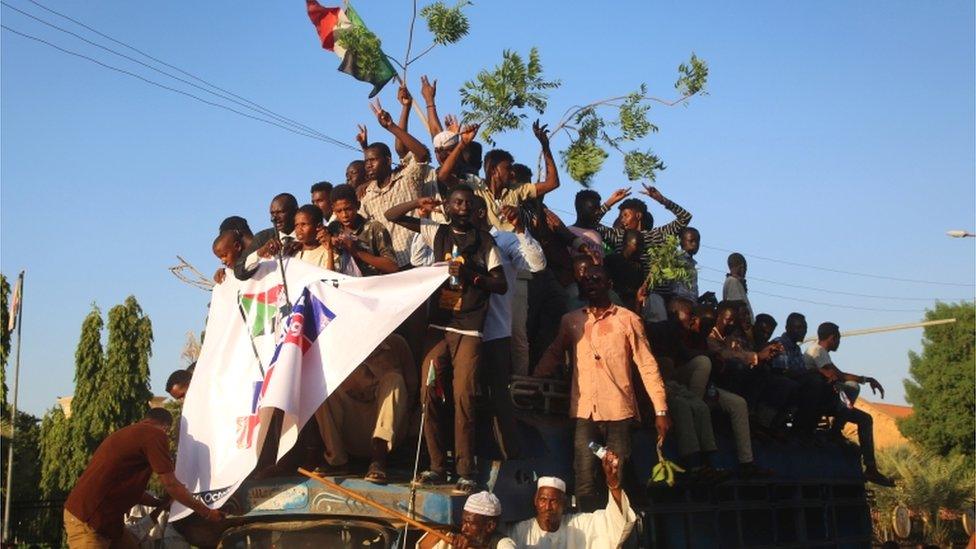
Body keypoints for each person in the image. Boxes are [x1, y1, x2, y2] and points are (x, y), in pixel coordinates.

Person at [385, 186, 507, 495]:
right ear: (448, 207)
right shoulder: (436, 232)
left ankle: (466, 470)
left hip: (469, 329)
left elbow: (501, 284)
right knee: (429, 390)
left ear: (475, 208)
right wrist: (418, 202)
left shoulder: (485, 241)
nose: (463, 207)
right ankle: (437, 466)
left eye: (468, 203)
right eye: (457, 202)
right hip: (439, 325)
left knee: (464, 395)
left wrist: (472, 277)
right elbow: (391, 216)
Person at [534, 263, 669, 512]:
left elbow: (647, 365)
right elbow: (555, 352)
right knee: (584, 475)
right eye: (586, 280)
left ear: (609, 284)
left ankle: (626, 526)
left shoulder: (628, 320)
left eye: (596, 279)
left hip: (619, 414)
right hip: (586, 414)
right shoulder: (572, 321)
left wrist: (660, 410)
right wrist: (533, 379)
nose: (590, 283)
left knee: (618, 473)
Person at [63, 409, 223, 547]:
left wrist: (159, 504)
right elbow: (171, 485)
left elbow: (129, 490)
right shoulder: (155, 434)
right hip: (89, 520)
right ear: (166, 427)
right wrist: (207, 513)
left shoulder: (131, 434)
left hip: (106, 522)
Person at [653, 298, 769, 477]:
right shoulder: (670, 331)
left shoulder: (705, 338)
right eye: (691, 315)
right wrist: (712, 355)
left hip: (704, 388)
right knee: (695, 395)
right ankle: (695, 464)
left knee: (738, 404)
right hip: (675, 386)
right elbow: (681, 357)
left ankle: (745, 462)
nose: (693, 320)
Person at [472, 197, 546, 459]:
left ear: (480, 213)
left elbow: (537, 264)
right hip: (465, 330)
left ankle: (508, 452)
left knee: (499, 397)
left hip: (497, 329)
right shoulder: (451, 239)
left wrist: (521, 230)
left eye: (467, 208)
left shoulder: (503, 240)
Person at [313, 334, 413, 484]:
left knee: (394, 379)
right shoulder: (336, 342)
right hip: (350, 427)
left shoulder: (396, 344)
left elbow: (411, 389)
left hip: (387, 431)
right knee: (321, 384)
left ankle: (378, 460)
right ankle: (336, 460)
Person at [804, 322, 894, 486]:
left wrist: (866, 379)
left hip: (832, 401)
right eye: (838, 339)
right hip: (822, 400)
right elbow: (838, 375)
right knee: (853, 387)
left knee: (865, 419)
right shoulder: (817, 351)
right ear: (832, 338)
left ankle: (871, 468)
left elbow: (838, 374)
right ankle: (836, 430)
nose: (839, 342)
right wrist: (865, 380)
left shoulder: (820, 351)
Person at [438, 120, 560, 231]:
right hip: (487, 246)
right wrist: (463, 144)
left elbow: (552, 183)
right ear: (493, 170)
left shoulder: (516, 189)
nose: (512, 173)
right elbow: (443, 176)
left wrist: (545, 147)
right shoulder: (474, 187)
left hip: (516, 246)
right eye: (508, 168)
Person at [506, 451, 637, 548]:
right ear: (535, 501)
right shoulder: (520, 531)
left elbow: (613, 521)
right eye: (543, 500)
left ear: (564, 504)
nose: (547, 507)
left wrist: (612, 479)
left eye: (553, 501)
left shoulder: (579, 524)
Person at [358, 100, 434, 269]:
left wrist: (391, 126)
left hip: (419, 260)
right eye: (366, 161)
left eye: (373, 160)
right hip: (391, 268)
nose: (368, 165)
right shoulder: (367, 196)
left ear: (388, 160)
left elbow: (422, 155)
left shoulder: (407, 178)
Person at [594, 184, 693, 273]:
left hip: (653, 292)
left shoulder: (656, 235)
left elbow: (685, 217)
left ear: (638, 215)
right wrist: (609, 202)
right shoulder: (618, 236)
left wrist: (662, 200)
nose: (622, 220)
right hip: (623, 290)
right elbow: (591, 223)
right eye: (621, 217)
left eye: (625, 215)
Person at [771, 313, 837, 436]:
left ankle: (810, 429)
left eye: (805, 328)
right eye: (799, 328)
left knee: (826, 385)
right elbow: (782, 371)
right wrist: (816, 372)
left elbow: (802, 371)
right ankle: (799, 429)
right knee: (814, 383)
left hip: (797, 382)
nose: (803, 332)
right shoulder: (779, 344)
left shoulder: (796, 349)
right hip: (780, 384)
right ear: (788, 328)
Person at [325, 184, 397, 276]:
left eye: (348, 209)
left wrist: (356, 251)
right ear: (333, 211)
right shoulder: (332, 231)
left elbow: (392, 266)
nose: (344, 215)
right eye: (339, 211)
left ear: (358, 205)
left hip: (376, 285)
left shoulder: (374, 228)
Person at [234, 193, 300, 280]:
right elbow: (239, 271)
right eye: (272, 214)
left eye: (280, 212)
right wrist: (261, 252)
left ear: (296, 211)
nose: (274, 218)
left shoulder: (310, 233)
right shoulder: (263, 238)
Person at [418, 491, 515, 549]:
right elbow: (423, 546)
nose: (463, 529)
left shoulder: (504, 544)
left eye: (469, 523)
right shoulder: (457, 539)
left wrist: (477, 545)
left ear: (490, 526)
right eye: (463, 522)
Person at [293, 204, 333, 269]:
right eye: (296, 225)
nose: (299, 229)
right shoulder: (293, 253)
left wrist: (330, 251)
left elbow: (332, 277)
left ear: (318, 226)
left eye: (304, 224)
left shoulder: (327, 252)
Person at [671, 227, 701, 302]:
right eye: (691, 241)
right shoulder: (676, 260)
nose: (695, 244)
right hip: (679, 305)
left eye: (697, 241)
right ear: (681, 241)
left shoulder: (692, 264)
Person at [723, 253, 753, 323]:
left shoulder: (736, 282)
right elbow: (739, 309)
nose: (745, 270)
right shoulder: (732, 281)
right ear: (741, 267)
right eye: (745, 267)